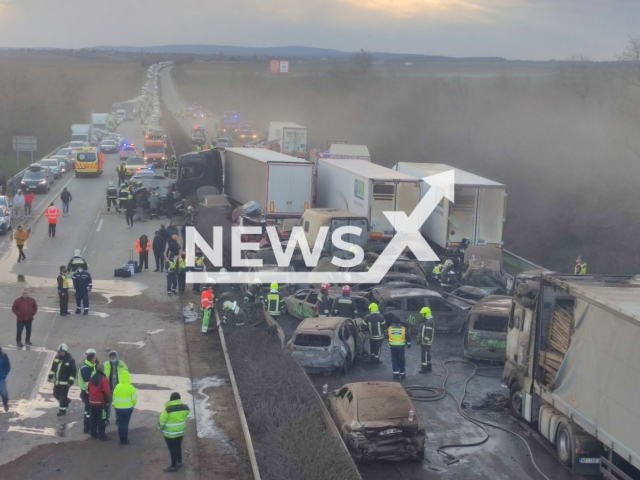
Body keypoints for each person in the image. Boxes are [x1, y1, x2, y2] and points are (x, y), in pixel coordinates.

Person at [158, 392, 190, 472]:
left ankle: (173, 466)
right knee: (178, 446)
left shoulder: (167, 410)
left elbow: (162, 421)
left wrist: (160, 428)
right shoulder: (185, 407)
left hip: (170, 433)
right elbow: (187, 413)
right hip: (181, 431)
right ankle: (179, 461)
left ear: (171, 399)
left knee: (172, 448)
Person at [48, 344, 76, 416]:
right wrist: (50, 377)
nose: (61, 353)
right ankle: (66, 401)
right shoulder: (57, 358)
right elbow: (53, 368)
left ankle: (62, 410)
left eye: (62, 351)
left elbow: (73, 372)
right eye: (60, 351)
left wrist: (70, 382)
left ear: (66, 352)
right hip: (57, 382)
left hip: (65, 383)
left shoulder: (70, 360)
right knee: (56, 394)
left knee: (62, 397)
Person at [104, 350, 129, 426]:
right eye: (111, 356)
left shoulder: (122, 365)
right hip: (108, 389)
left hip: (119, 390)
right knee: (107, 405)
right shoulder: (105, 364)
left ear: (117, 356)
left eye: (114, 356)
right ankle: (106, 419)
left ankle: (118, 419)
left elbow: (126, 377)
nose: (113, 357)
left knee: (118, 405)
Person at [113, 370, 137, 445]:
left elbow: (114, 397)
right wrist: (133, 405)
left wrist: (116, 405)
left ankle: (121, 439)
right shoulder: (131, 387)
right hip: (128, 408)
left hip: (118, 408)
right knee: (125, 424)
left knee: (120, 424)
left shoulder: (117, 387)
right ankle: (125, 439)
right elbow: (134, 399)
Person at [88, 363, 111, 440]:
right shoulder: (104, 379)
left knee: (93, 418)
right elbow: (106, 391)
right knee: (102, 419)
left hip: (92, 402)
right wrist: (108, 401)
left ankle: (93, 433)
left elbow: (89, 388)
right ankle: (101, 435)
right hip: (101, 403)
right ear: (103, 369)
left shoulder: (92, 378)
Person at [78, 349, 98, 433]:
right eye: (94, 359)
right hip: (87, 393)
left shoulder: (90, 365)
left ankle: (89, 426)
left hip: (88, 392)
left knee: (89, 411)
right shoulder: (86, 368)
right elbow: (87, 384)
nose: (95, 360)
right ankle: (87, 427)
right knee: (88, 411)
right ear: (91, 359)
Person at [418, 307, 435, 373]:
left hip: (426, 342)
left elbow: (428, 332)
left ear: (425, 313)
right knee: (427, 353)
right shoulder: (429, 320)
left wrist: (425, 340)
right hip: (427, 341)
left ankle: (424, 368)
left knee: (424, 354)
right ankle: (428, 367)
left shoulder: (428, 321)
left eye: (422, 313)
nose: (422, 315)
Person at [0, 346, 11, 412]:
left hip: (1, 379)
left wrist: (3, 375)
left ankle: (5, 403)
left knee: (4, 393)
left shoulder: (3, 356)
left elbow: (8, 366)